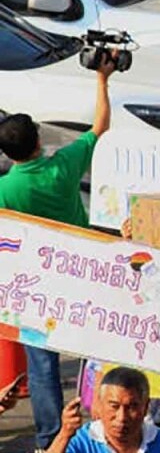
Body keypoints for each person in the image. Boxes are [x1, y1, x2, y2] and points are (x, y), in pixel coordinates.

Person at [0, 58, 115, 451]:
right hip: (81, 273)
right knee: (97, 348)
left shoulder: (5, 190)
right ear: (37, 141)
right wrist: (102, 78)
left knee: (43, 361)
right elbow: (100, 126)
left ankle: (52, 438)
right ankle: (99, 422)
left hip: (33, 284)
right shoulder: (64, 166)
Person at [47, 368, 160, 453]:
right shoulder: (82, 440)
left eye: (131, 407)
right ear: (100, 404)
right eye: (114, 406)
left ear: (145, 407)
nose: (122, 417)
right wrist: (64, 434)